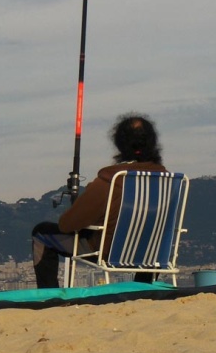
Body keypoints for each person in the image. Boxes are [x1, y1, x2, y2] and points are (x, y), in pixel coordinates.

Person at [32, 114, 168, 288]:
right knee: (149, 242)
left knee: (41, 232)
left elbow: (67, 225)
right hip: (151, 253)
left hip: (109, 251)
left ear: (119, 143)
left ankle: (49, 296)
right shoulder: (166, 181)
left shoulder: (110, 180)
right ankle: (144, 287)